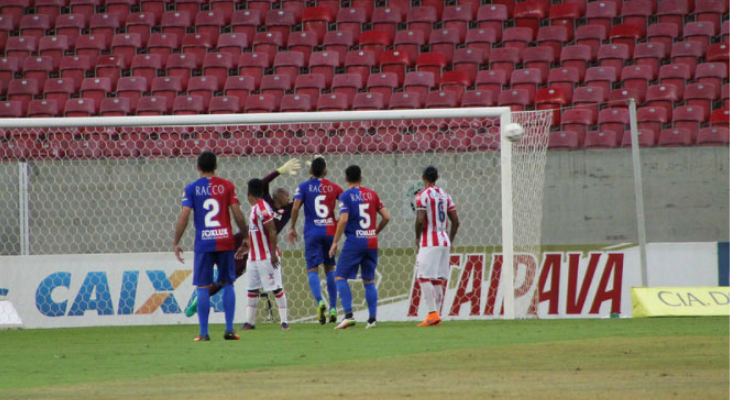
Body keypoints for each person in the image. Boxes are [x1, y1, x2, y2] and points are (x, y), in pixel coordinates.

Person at [184, 159, 301, 318]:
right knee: (225, 268)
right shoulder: (266, 201)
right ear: (276, 197)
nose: (288, 196)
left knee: (231, 276)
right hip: (243, 239)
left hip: (260, 248)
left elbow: (303, 198)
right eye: (285, 194)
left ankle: (200, 299)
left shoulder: (288, 210)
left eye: (289, 195)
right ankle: (202, 294)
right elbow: (261, 183)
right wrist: (279, 171)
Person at [173, 152, 248, 341]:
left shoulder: (191, 189)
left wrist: (176, 242)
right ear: (216, 166)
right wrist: (246, 236)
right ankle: (229, 329)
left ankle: (204, 333)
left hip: (204, 244)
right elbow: (237, 214)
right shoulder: (227, 186)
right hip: (225, 241)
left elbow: (184, 216)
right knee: (228, 283)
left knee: (202, 286)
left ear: (198, 167)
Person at [329, 165, 390, 330]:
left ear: (346, 179)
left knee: (340, 276)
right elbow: (386, 216)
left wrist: (335, 242)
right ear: (361, 178)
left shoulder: (345, 196)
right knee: (369, 280)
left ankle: (348, 316)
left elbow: (343, 219)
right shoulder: (372, 194)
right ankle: (372, 320)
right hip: (371, 241)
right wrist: (375, 231)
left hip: (355, 240)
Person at [288, 156, 343, 324]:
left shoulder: (303, 187)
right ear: (325, 171)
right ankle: (333, 308)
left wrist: (292, 227)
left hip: (312, 232)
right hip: (330, 232)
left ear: (310, 171)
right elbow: (345, 202)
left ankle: (320, 302)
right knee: (330, 269)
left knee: (312, 270)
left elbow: (296, 206)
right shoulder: (334, 187)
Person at [413, 166, 460, 327]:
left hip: (430, 241)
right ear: (437, 178)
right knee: (437, 279)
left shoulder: (422, 195)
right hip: (444, 240)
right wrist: (451, 238)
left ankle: (432, 314)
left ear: (423, 177)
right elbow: (456, 221)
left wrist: (418, 237)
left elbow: (420, 220)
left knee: (422, 276)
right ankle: (437, 315)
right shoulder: (445, 195)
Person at [244, 178, 290, 330]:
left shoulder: (262, 207)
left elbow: (272, 229)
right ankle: (249, 322)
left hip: (266, 257)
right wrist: (246, 246)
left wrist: (272, 253)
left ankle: (284, 322)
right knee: (252, 289)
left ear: (249, 193)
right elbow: (256, 232)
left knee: (276, 288)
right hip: (253, 257)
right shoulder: (255, 207)